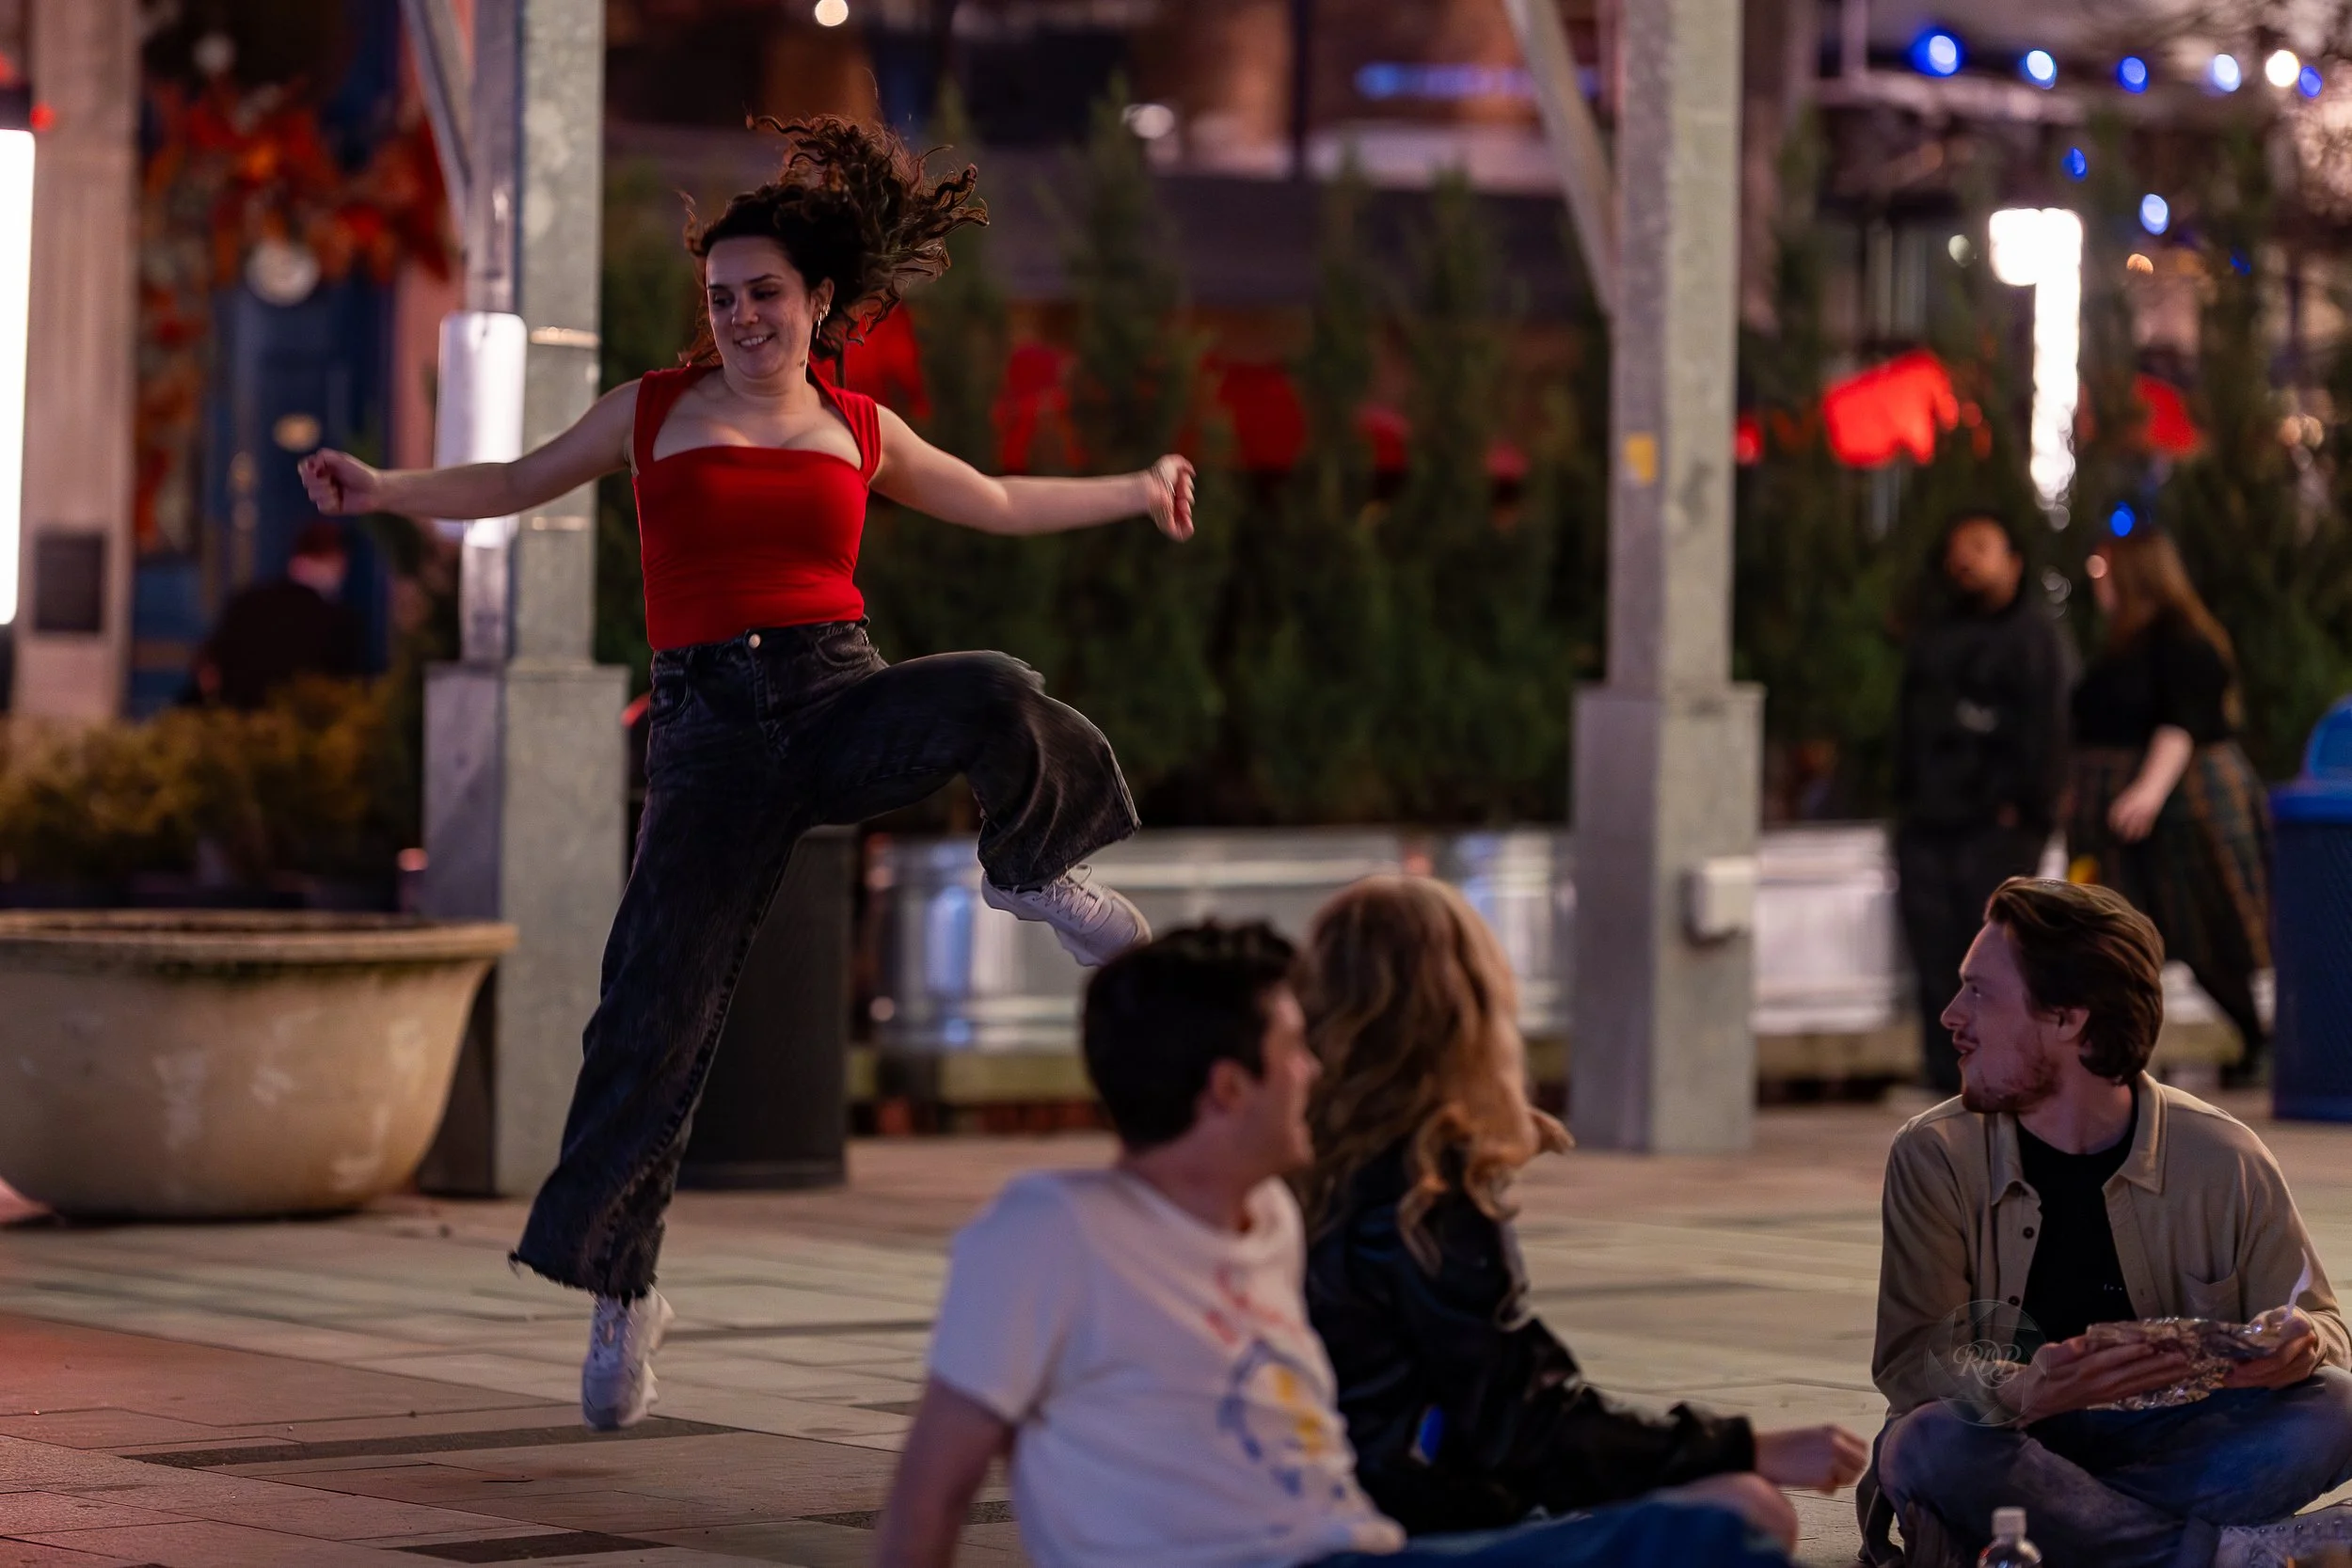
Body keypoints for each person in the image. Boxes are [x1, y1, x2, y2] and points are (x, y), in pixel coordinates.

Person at [298, 118, 1188, 1430]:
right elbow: (510, 477)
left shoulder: (862, 429)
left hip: (835, 695)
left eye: (764, 295)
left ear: (819, 301)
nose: (740, 319)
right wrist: (383, 490)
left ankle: (1037, 870)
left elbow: (996, 499)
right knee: (653, 1016)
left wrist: (1134, 484)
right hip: (710, 734)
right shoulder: (652, 411)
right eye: (720, 299)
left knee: (995, 687)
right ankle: (625, 1291)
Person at [876, 922, 1800, 1568]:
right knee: (1716, 1535)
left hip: (1362, 1547)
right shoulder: (1051, 1232)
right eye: (1293, 1048)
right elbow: (933, 1485)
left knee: (1725, 1520)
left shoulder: (1269, 1216)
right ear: (1229, 1087)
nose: (1314, 1069)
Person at [1295, 875, 1867, 1537]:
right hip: (1403, 1524)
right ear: (1466, 1007)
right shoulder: (1425, 1192)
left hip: (1312, 1504)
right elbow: (1527, 1423)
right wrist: (1747, 1445)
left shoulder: (1293, 1165)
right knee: (1742, 1513)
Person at [1862, 877, 2352, 1568]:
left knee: (2336, 1404)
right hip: (2016, 1441)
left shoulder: (2224, 1154)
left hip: (2168, 1441)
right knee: (1928, 1440)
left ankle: (2069, 1539)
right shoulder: (1934, 1153)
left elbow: (2324, 1324)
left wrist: (2299, 1342)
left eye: (1980, 991)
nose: (1951, 1014)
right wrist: (2028, 1387)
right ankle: (2220, 1555)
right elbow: (1912, 1364)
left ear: (2068, 1017)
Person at [2070, 525, 2273, 1086]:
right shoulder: (2124, 640)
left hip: (2179, 808)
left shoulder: (2181, 638)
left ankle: (2256, 1041)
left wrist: (2148, 793)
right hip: (2127, 807)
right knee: (2121, 932)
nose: (2098, 580)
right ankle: (2117, 1053)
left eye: (2106, 568)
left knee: (2200, 930)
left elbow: (2183, 720)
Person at [1893, 510, 2069, 1095]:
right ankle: (1943, 1069)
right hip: (1930, 819)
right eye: (1958, 548)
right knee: (1934, 948)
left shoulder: (2033, 639)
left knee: (1993, 949)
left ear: (2012, 562)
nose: (1965, 560)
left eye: (1981, 547)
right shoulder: (1936, 635)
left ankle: (2001, 1064)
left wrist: (2025, 806)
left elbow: (2047, 729)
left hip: (1997, 823)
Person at [190, 520, 365, 707]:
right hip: (300, 727)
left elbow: (210, 666)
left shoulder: (247, 602)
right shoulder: (338, 622)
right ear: (336, 560)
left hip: (237, 722)